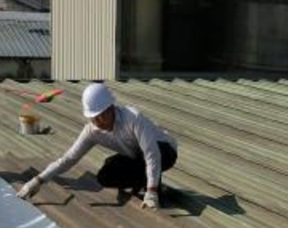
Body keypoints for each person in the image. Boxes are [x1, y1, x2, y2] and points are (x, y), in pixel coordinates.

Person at [16, 83, 177, 208]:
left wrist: (151, 191)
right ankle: (145, 181)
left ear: (111, 108)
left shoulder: (133, 118)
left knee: (146, 158)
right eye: (93, 117)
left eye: (101, 115)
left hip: (164, 150)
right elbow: (68, 159)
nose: (98, 121)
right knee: (106, 175)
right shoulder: (91, 131)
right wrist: (38, 180)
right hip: (135, 155)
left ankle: (153, 188)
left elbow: (151, 154)